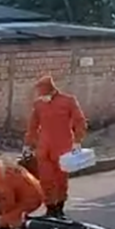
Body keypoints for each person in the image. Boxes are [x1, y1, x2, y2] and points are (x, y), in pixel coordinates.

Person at [25, 75, 87, 218]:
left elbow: (80, 121)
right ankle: (50, 209)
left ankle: (59, 208)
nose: (42, 97)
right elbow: (32, 126)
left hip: (62, 147)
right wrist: (28, 144)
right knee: (46, 180)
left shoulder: (68, 101)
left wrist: (77, 141)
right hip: (44, 148)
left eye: (44, 94)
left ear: (52, 90)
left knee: (60, 180)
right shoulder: (39, 105)